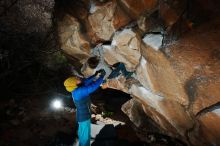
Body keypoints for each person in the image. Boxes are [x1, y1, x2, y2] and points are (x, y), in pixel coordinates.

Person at [64, 70, 106, 146]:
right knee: (85, 137)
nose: (78, 78)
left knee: (82, 133)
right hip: (84, 117)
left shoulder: (76, 88)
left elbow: (86, 82)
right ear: (74, 84)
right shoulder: (79, 91)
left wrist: (95, 75)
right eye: (76, 79)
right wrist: (101, 77)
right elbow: (93, 87)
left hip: (82, 115)